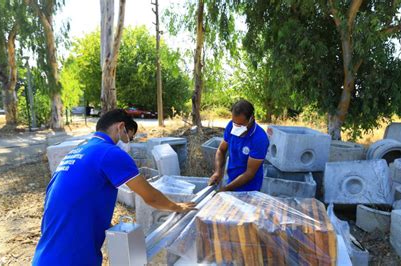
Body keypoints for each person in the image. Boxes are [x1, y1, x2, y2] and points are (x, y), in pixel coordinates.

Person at [32, 109, 196, 265]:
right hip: (72, 258)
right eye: (128, 138)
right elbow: (150, 196)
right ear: (121, 127)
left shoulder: (79, 152)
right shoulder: (110, 153)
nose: (126, 144)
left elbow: (77, 198)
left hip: (46, 254)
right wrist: (176, 206)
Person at [208, 99, 269, 191]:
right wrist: (217, 172)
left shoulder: (259, 139)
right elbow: (221, 150)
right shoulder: (231, 126)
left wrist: (226, 188)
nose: (236, 127)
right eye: (234, 122)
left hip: (249, 188)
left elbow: (249, 173)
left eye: (240, 124)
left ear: (251, 118)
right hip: (231, 180)